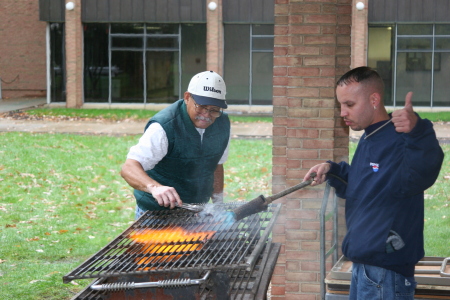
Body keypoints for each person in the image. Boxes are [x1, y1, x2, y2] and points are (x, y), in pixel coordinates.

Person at [303, 67, 444, 299]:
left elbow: (425, 169)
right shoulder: (371, 136)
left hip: (386, 270)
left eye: (349, 104)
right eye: (341, 105)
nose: (342, 113)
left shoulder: (400, 139)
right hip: (366, 265)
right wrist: (333, 171)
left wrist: (418, 131)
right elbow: (366, 186)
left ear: (374, 99)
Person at [121, 71, 231, 219]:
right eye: (201, 106)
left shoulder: (222, 124)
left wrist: (218, 205)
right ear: (187, 97)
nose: (206, 114)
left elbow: (217, 165)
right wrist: (155, 188)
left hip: (196, 212)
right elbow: (129, 167)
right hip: (156, 214)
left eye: (214, 110)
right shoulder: (164, 126)